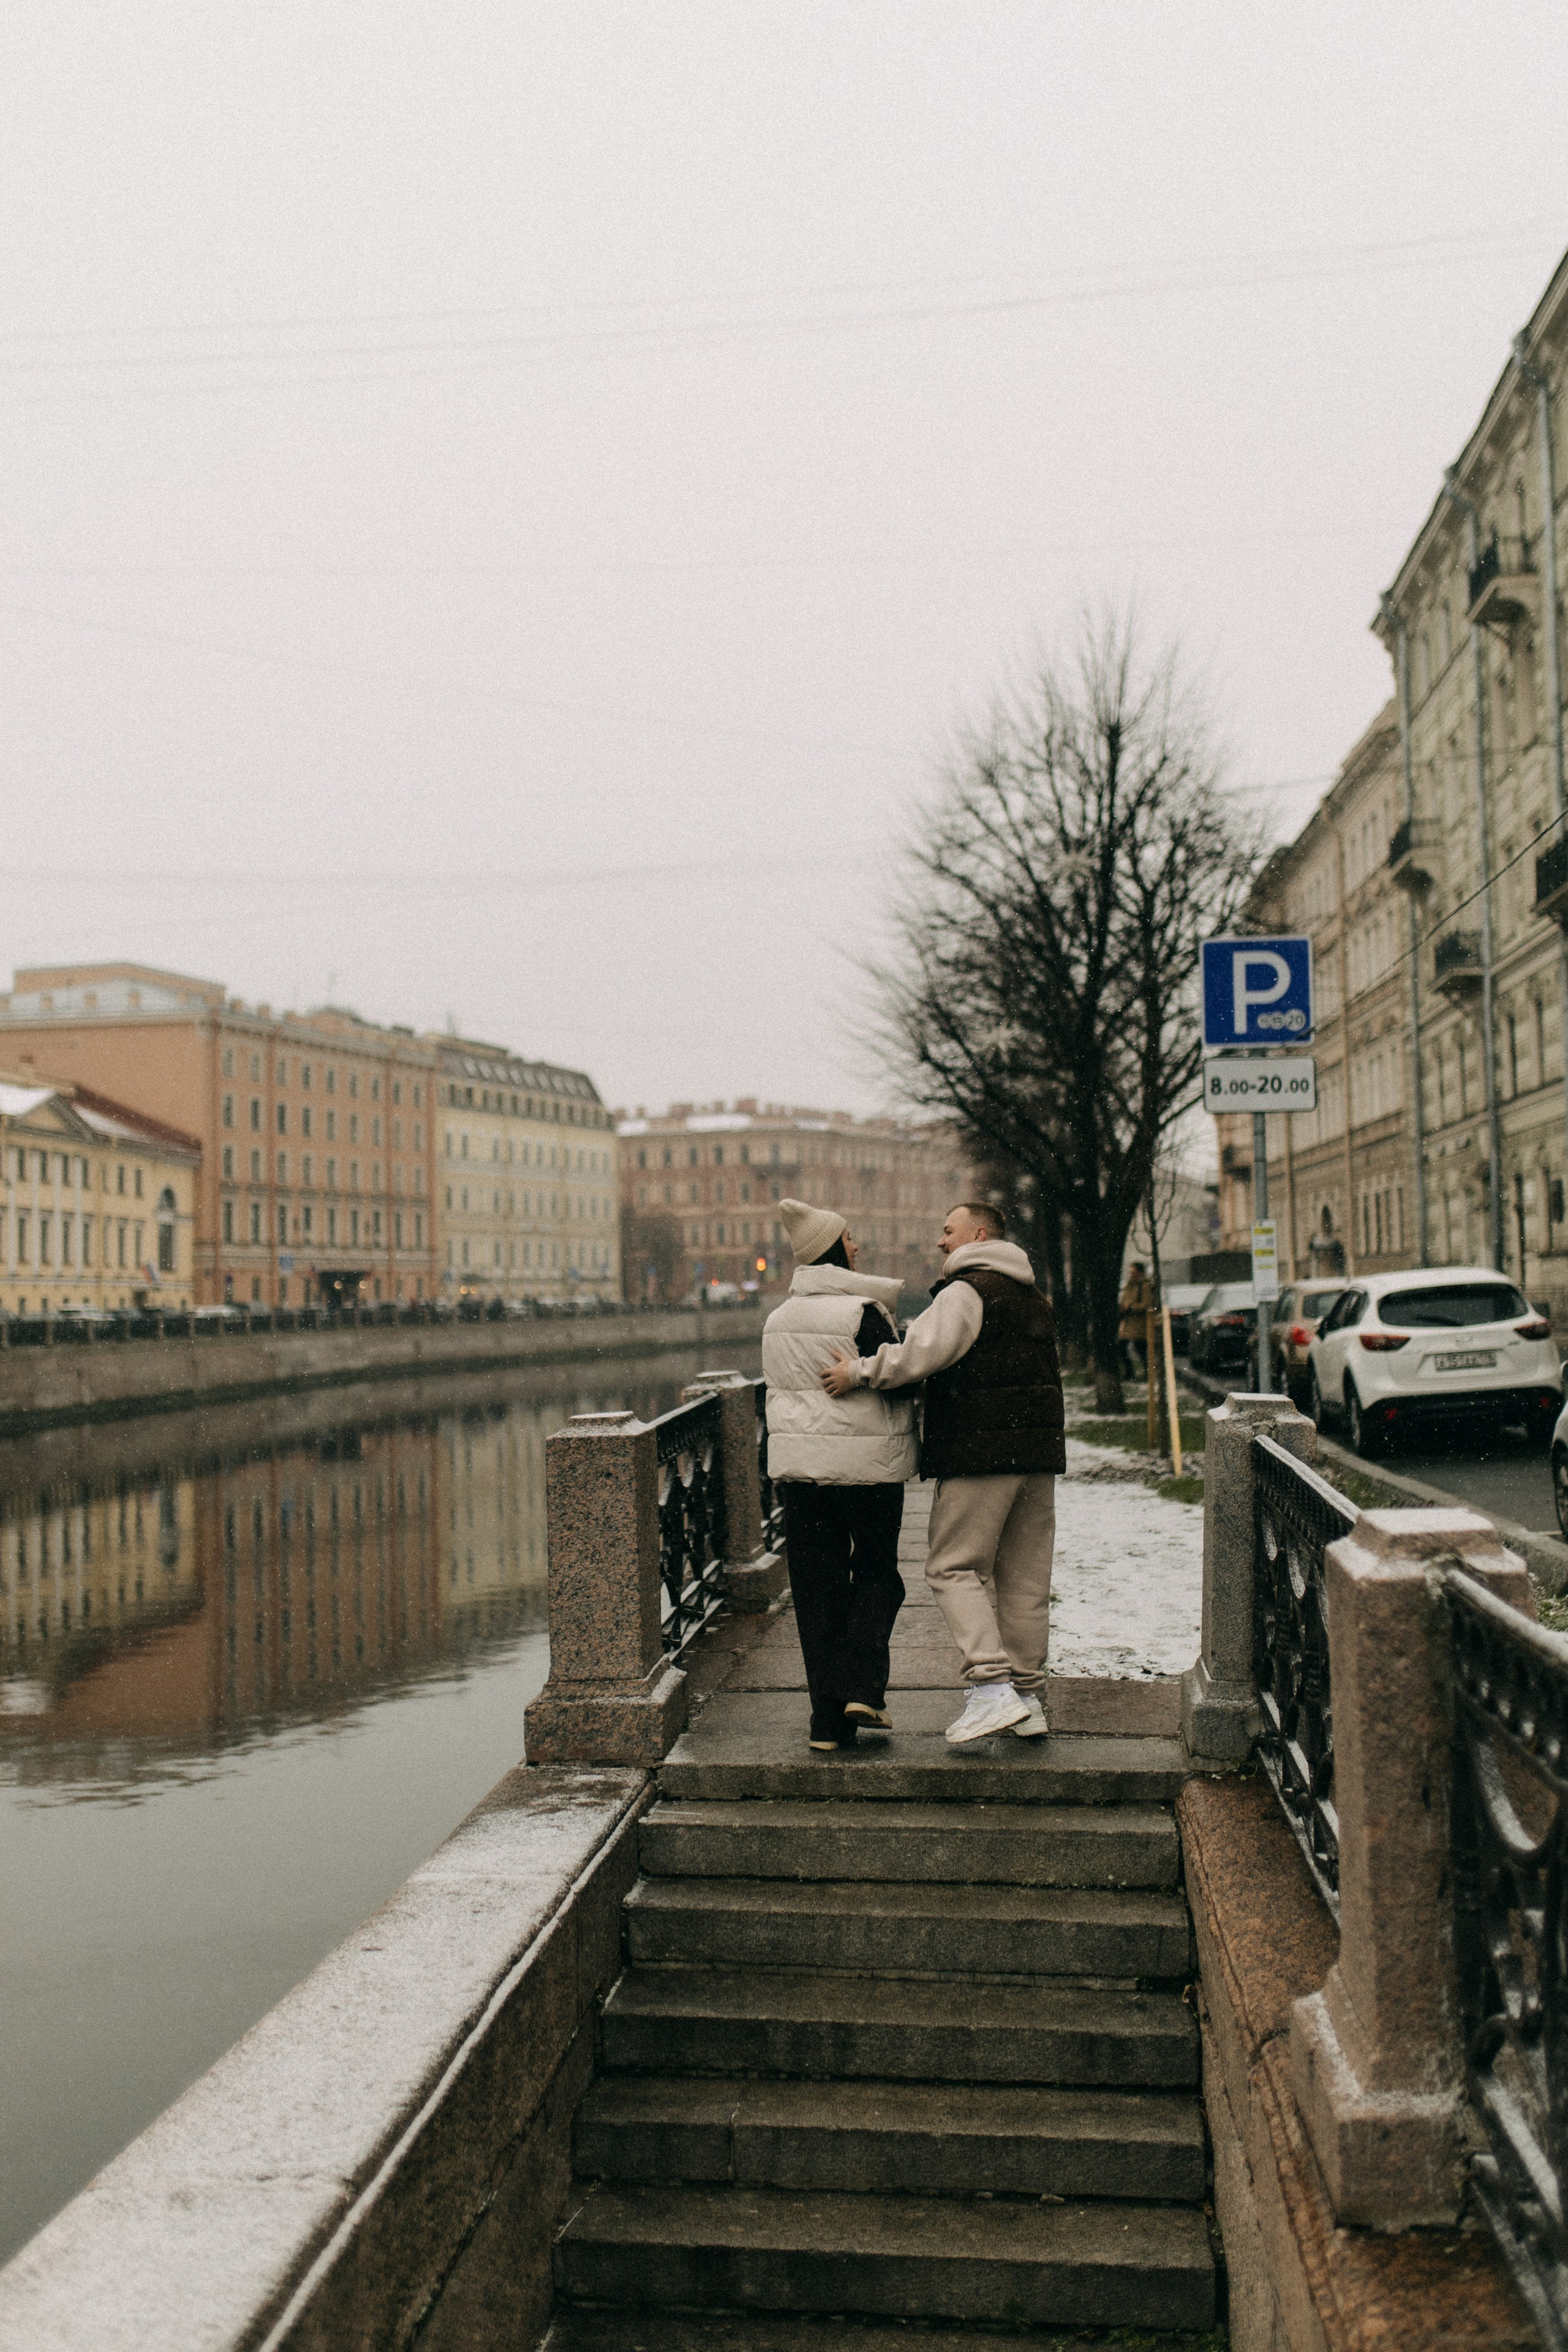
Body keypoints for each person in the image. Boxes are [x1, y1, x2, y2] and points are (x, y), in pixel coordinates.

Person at [821, 1200, 1063, 1746]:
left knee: (952, 1567)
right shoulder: (1032, 1295)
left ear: (978, 1235)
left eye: (948, 1230)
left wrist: (858, 1371)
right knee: (1025, 1579)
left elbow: (918, 1355)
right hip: (1036, 1451)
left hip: (981, 1450)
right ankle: (1028, 1697)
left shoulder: (967, 1291)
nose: (940, 1241)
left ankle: (991, 1687)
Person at [761, 1197, 919, 1752]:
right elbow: (900, 1380)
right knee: (877, 1574)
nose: (858, 1246)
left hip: (802, 1476)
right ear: (832, 1249)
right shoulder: (863, 1313)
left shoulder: (777, 1320)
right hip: (867, 1471)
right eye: (849, 1238)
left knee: (817, 1591)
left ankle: (827, 1723)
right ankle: (863, 1689)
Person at [1118, 1261, 1155, 1380]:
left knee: (1141, 1349)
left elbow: (1146, 1304)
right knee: (1121, 1347)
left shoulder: (1144, 1286)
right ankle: (1130, 1372)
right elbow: (1124, 1299)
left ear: (1139, 1272)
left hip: (1139, 1324)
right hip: (1128, 1323)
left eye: (1133, 1272)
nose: (1131, 1275)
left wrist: (1131, 1307)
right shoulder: (1129, 1285)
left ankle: (1148, 1374)